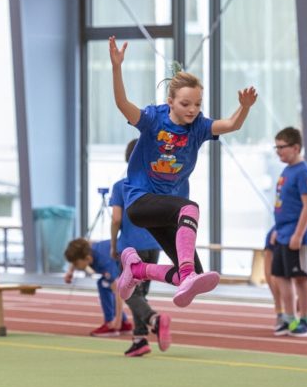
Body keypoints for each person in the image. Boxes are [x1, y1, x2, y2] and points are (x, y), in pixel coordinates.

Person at [108, 36, 258, 307]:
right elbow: (122, 104)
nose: (193, 110)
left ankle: (137, 270)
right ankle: (185, 273)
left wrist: (244, 107)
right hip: (140, 201)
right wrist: (117, 67)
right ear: (171, 101)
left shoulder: (198, 127)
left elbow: (232, 125)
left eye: (198, 104)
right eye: (186, 104)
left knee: (193, 276)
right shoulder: (154, 119)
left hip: (167, 210)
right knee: (190, 209)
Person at [111, 139, 170, 357]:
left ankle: (154, 318)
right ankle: (139, 338)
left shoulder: (121, 187)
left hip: (130, 247)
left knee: (127, 291)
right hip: (154, 244)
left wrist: (114, 243)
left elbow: (116, 219)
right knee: (141, 293)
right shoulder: (157, 187)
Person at [270, 127, 307, 337]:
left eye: (282, 147)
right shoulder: (287, 170)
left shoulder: (303, 172)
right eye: (276, 147)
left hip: (298, 236)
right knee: (280, 276)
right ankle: (289, 318)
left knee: (301, 278)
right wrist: (276, 230)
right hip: (282, 233)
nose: (278, 151)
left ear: (295, 147)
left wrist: (298, 235)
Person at [64, 238, 132, 337]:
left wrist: (117, 320)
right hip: (125, 258)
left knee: (104, 285)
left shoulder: (104, 261)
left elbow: (118, 291)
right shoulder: (88, 248)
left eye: (75, 264)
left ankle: (112, 325)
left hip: (136, 263)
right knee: (103, 283)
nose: (75, 266)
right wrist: (70, 271)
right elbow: (86, 242)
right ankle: (124, 324)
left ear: (87, 259)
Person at [263, 226, 285, 333]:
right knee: (269, 255)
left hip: (293, 227)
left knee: (300, 278)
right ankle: (281, 312)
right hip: (280, 225)